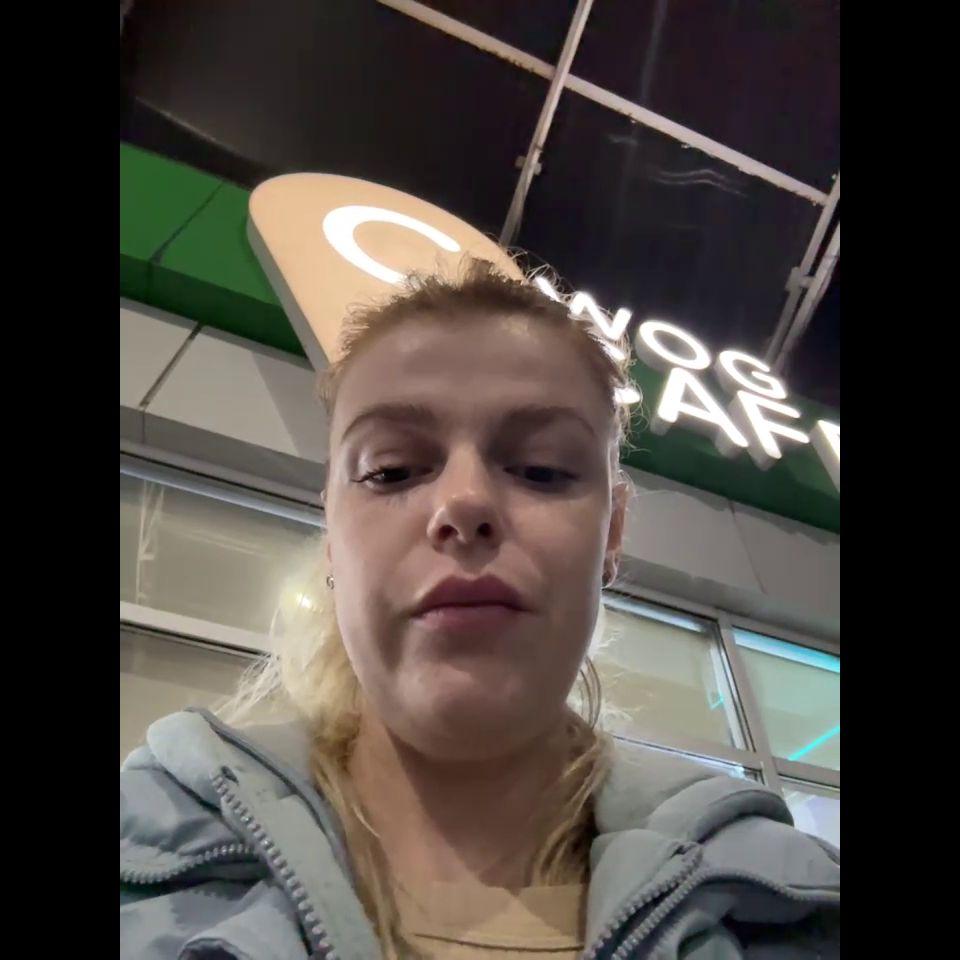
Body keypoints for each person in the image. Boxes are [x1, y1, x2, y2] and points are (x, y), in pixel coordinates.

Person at [120, 261, 840, 959]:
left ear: (613, 533)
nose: (464, 503)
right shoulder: (145, 861)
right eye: (391, 471)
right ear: (332, 536)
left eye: (542, 470)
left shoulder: (791, 912)